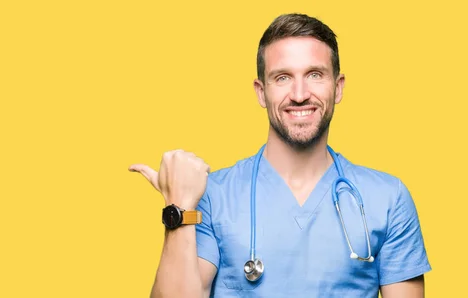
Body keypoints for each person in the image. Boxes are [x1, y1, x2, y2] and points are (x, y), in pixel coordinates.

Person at [129, 13, 431, 298]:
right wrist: (179, 207)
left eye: (314, 74)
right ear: (261, 92)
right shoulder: (212, 196)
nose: (299, 94)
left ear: (338, 88)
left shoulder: (388, 199)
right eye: (282, 77)